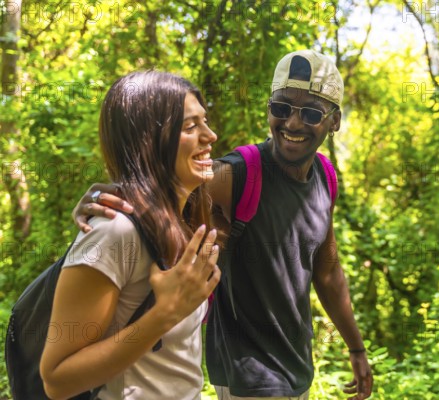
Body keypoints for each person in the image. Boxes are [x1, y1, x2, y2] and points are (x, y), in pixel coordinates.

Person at [73, 50, 373, 400]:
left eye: (310, 113)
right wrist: (103, 196)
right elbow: (159, 186)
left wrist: (356, 348)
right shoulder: (236, 174)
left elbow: (328, 271)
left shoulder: (325, 179)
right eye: (281, 108)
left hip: (297, 367)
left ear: (334, 121)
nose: (292, 123)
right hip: (245, 373)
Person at [40, 71, 221, 400]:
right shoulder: (115, 231)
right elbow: (57, 379)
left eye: (204, 122)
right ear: (149, 141)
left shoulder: (183, 221)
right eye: (190, 126)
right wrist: (165, 314)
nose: (211, 135)